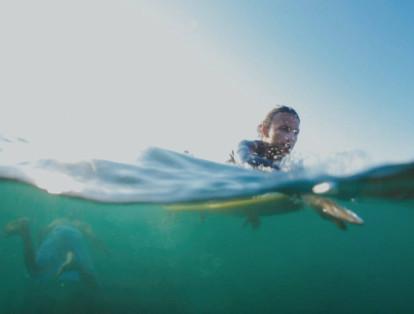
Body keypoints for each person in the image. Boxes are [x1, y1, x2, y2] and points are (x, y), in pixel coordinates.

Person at [3, 217, 103, 288]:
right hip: (75, 237)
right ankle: (72, 262)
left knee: (35, 270)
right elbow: (92, 236)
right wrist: (103, 249)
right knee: (90, 278)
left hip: (57, 233)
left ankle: (25, 232)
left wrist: (40, 250)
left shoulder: (57, 221)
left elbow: (41, 233)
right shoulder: (80, 224)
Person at [229, 106, 300, 170]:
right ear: (265, 130)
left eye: (295, 132)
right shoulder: (248, 146)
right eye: (284, 129)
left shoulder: (289, 162)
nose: (292, 138)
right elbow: (245, 159)